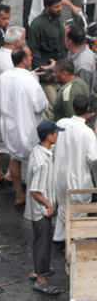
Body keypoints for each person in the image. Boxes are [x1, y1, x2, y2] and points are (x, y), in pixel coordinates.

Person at [0, 47, 47, 205]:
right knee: (38, 162)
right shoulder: (29, 80)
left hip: (10, 128)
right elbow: (40, 106)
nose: (32, 58)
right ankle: (38, 196)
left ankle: (19, 194)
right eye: (30, 55)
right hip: (29, 128)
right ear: (24, 60)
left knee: (15, 159)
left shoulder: (3, 78)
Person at [26, 119, 63, 295]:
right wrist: (48, 205)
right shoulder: (42, 162)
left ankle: (39, 269)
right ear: (49, 136)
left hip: (38, 209)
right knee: (42, 244)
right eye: (56, 133)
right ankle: (41, 279)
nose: (58, 135)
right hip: (40, 210)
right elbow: (35, 190)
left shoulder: (40, 151)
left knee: (41, 241)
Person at [54, 95, 97, 242]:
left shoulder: (61, 123)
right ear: (88, 111)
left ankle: (60, 238)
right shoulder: (88, 133)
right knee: (78, 213)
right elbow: (93, 158)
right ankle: (75, 243)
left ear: (73, 107)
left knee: (62, 208)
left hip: (60, 176)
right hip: (79, 179)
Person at [0, 30, 26, 185]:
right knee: (12, 145)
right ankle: (10, 172)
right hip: (5, 108)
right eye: (23, 39)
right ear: (16, 42)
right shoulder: (10, 61)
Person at [27, 0, 69, 74]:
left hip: (61, 66)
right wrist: (45, 72)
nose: (60, 9)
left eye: (61, 5)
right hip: (48, 70)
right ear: (47, 7)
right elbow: (34, 51)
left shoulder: (59, 17)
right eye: (56, 7)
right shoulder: (37, 25)